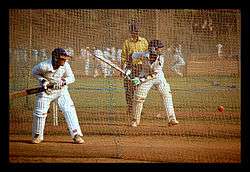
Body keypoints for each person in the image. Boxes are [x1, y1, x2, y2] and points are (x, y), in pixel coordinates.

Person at [31, 48, 84, 144]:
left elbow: (72, 78)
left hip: (61, 91)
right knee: (40, 112)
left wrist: (63, 81)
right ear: (55, 58)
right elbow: (34, 72)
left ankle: (76, 135)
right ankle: (37, 135)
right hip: (46, 91)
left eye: (65, 59)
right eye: (62, 59)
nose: (65, 60)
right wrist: (43, 80)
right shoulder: (43, 66)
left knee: (69, 110)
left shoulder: (65, 65)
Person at [128, 40, 179, 127]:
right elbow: (131, 55)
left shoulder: (161, 59)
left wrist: (140, 80)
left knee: (166, 94)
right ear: (153, 49)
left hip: (158, 78)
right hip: (145, 75)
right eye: (159, 48)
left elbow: (154, 75)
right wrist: (128, 68)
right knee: (138, 98)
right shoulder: (143, 54)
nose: (161, 50)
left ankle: (171, 119)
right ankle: (135, 120)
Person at [121, 21, 149, 117]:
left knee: (140, 88)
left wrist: (147, 67)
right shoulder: (127, 42)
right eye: (133, 31)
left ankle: (139, 108)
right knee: (128, 89)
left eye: (136, 31)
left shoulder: (144, 41)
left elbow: (147, 54)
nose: (135, 33)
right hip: (130, 67)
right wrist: (122, 69)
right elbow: (123, 57)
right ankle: (130, 107)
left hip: (141, 67)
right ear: (130, 32)